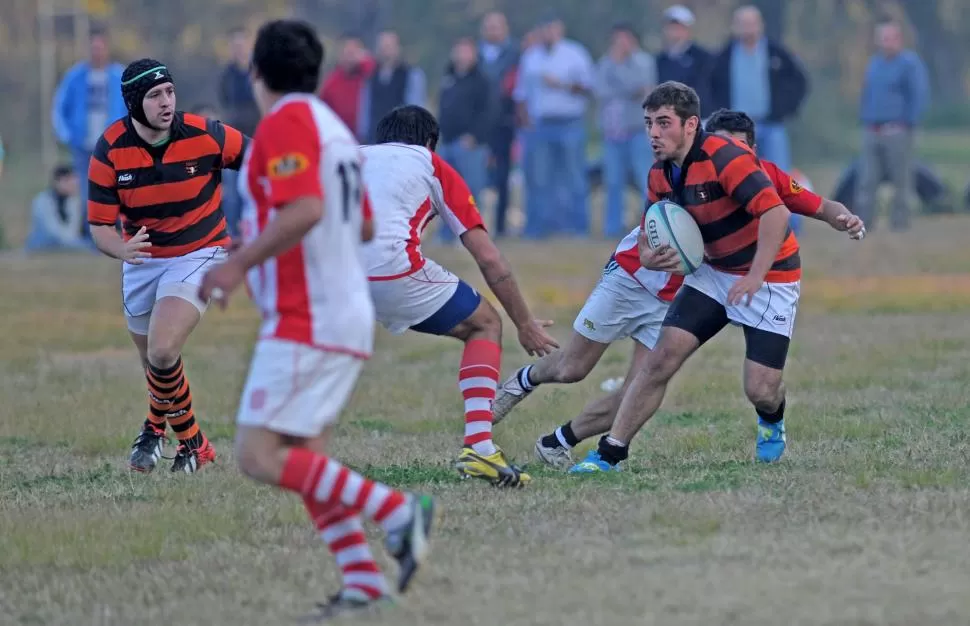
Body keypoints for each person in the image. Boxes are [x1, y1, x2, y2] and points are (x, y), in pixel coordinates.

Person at [197, 20, 435, 619]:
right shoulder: (330, 124)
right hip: (336, 309)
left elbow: (305, 207)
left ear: (256, 71)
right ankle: (361, 580)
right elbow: (359, 223)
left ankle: (397, 511)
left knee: (256, 454)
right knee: (306, 458)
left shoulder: (287, 123)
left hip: (311, 315)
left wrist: (237, 264)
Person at [492, 107, 864, 469]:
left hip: (754, 282)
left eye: (738, 150)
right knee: (585, 367)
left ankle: (559, 443)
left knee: (754, 389)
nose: (730, 157)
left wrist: (842, 218)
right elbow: (650, 231)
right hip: (646, 280)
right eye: (723, 147)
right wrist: (651, 256)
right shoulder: (677, 170)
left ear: (752, 152)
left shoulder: (763, 177)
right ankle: (597, 446)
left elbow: (811, 207)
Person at [361, 104, 559, 487]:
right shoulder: (432, 164)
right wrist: (525, 324)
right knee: (484, 323)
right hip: (388, 267)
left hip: (327, 274)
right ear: (430, 143)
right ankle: (480, 448)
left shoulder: (349, 156)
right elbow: (488, 258)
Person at [86, 59, 248, 473]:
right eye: (155, 96)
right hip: (140, 259)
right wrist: (121, 250)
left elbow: (260, 162)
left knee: (162, 348)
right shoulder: (110, 148)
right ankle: (193, 443)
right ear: (134, 103)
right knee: (155, 365)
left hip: (201, 251)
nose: (166, 103)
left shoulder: (205, 133)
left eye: (170, 92)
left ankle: (159, 429)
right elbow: (100, 226)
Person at [26, 164, 97, 253]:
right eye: (69, 181)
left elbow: (74, 231)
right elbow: (54, 232)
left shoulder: (74, 201)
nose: (74, 184)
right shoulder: (42, 201)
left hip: (68, 242)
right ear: (57, 182)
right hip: (45, 243)